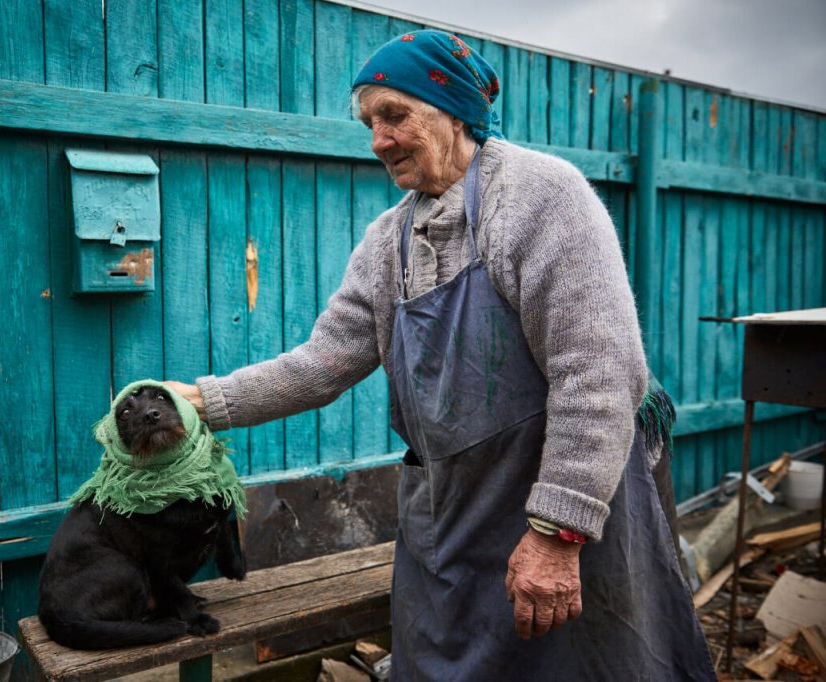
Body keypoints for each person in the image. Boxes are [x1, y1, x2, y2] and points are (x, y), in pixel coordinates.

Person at [168, 30, 714, 680]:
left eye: (394, 115)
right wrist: (200, 404)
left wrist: (556, 534)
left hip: (562, 505)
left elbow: (597, 378)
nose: (378, 139)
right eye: (370, 122)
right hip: (455, 517)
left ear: (456, 111)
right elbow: (319, 365)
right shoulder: (386, 242)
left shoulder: (544, 199)